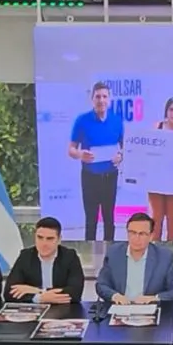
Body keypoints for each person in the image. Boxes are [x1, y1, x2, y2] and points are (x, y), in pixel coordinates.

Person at [68, 81, 124, 242]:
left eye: (104, 96)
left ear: (109, 99)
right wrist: (80, 154)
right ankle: (90, 254)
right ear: (92, 99)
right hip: (90, 177)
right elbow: (71, 149)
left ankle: (110, 253)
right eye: (98, 97)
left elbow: (125, 147)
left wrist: (121, 156)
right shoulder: (82, 121)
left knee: (109, 219)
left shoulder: (117, 121)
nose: (101, 100)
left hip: (110, 177)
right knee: (91, 220)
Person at [93, 212, 173, 304]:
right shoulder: (114, 253)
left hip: (149, 308)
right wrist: (115, 296)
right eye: (132, 233)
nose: (136, 238)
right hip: (120, 307)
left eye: (142, 234)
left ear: (151, 236)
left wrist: (154, 298)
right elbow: (101, 285)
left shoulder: (164, 256)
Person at [4, 216, 85, 304]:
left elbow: (75, 293)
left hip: (63, 309)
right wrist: (40, 298)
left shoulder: (70, 256)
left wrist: (37, 291)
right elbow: (9, 293)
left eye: (50, 239)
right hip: (33, 309)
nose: (44, 243)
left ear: (59, 240)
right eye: (40, 237)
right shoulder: (25, 256)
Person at [146, 96, 173, 241]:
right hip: (156, 180)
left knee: (172, 215)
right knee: (157, 216)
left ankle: (171, 246)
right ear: (166, 111)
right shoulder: (157, 127)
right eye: (171, 109)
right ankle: (155, 245)